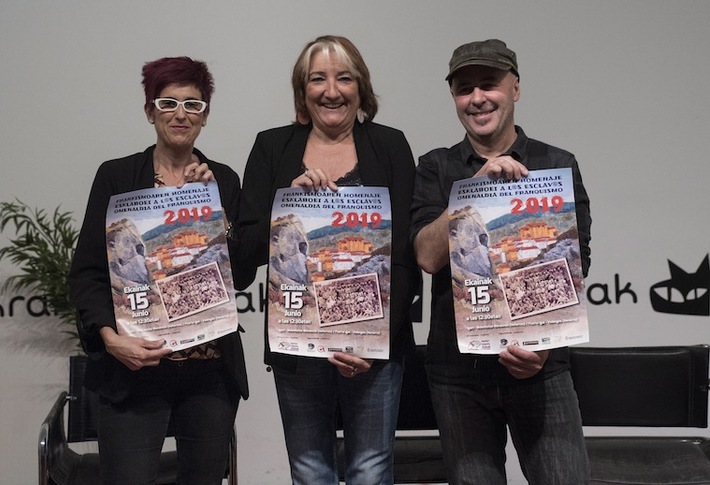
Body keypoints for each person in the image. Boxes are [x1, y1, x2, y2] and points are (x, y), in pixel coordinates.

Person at [238, 35, 420, 484]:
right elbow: (242, 250)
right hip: (297, 348)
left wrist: (373, 344)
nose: (331, 90)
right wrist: (287, 209)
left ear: (361, 88)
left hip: (374, 349)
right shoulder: (271, 147)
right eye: (317, 79)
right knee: (309, 470)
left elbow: (405, 256)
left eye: (344, 77)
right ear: (303, 90)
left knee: (371, 471)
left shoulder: (391, 146)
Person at [410, 39, 592, 484]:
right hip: (459, 374)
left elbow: (576, 264)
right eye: (464, 88)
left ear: (515, 88)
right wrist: (471, 192)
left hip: (542, 368)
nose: (477, 99)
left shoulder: (556, 163)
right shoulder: (436, 167)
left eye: (488, 84)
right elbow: (427, 257)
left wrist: (544, 348)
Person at [69, 56, 250, 485]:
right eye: (168, 103)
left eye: (193, 104)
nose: (181, 114)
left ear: (205, 116)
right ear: (150, 111)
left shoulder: (222, 179)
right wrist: (111, 341)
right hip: (135, 369)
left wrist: (217, 213)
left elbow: (240, 276)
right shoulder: (116, 177)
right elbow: (88, 272)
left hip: (208, 373)